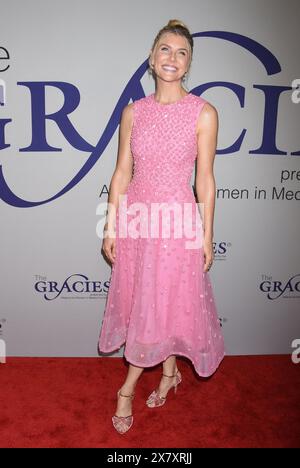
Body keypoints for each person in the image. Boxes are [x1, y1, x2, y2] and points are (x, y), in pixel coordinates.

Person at [98, 19, 225, 434]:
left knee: (161, 303)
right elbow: (120, 174)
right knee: (149, 302)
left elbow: (204, 179)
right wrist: (111, 226)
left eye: (181, 52)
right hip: (138, 219)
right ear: (152, 60)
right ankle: (170, 374)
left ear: (188, 65)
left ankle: (127, 389)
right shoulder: (133, 112)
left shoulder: (203, 113)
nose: (172, 58)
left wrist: (206, 235)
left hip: (176, 223)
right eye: (165, 50)